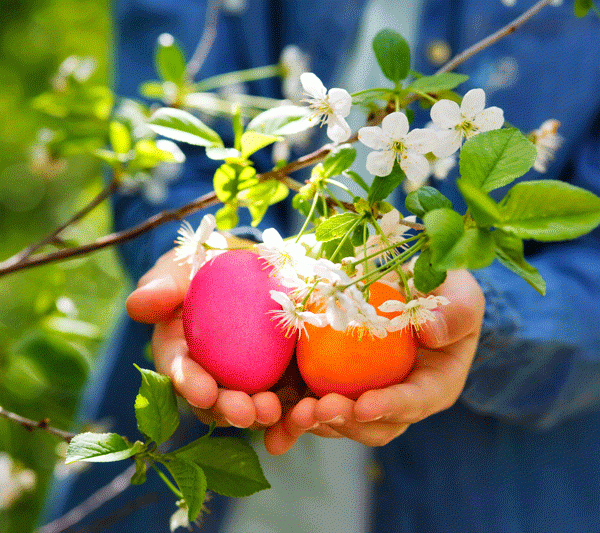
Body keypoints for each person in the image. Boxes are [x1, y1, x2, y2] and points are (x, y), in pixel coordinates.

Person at [42, 1, 600, 532]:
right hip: (194, 480)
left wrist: (491, 316)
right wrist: (199, 258)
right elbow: (159, 132)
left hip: (498, 491)